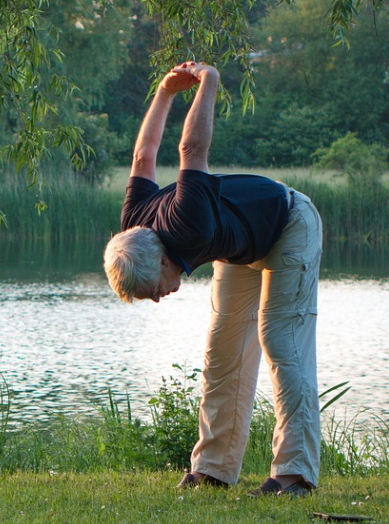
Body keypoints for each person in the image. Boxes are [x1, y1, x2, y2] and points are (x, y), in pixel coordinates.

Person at [103, 62, 322, 496]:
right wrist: (164, 92)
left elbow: (191, 149)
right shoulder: (134, 224)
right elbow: (143, 156)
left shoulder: (188, 224)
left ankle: (294, 474)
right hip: (240, 245)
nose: (160, 299)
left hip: (290, 224)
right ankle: (213, 469)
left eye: (153, 293)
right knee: (222, 352)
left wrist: (209, 83)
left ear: (162, 262)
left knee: (280, 340)